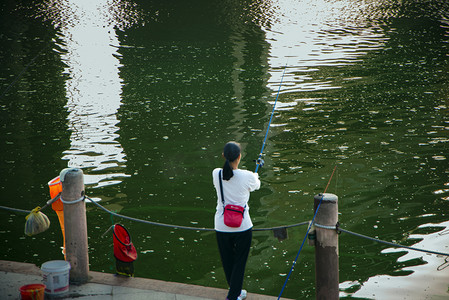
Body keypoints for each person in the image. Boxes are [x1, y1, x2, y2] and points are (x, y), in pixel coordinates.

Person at [212, 141, 261, 300]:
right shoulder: (247, 176)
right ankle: (233, 296)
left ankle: (236, 291)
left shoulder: (216, 174)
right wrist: (256, 173)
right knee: (240, 262)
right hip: (243, 226)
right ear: (240, 156)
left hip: (221, 225)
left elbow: (230, 177)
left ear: (223, 156)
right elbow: (256, 185)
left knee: (227, 261)